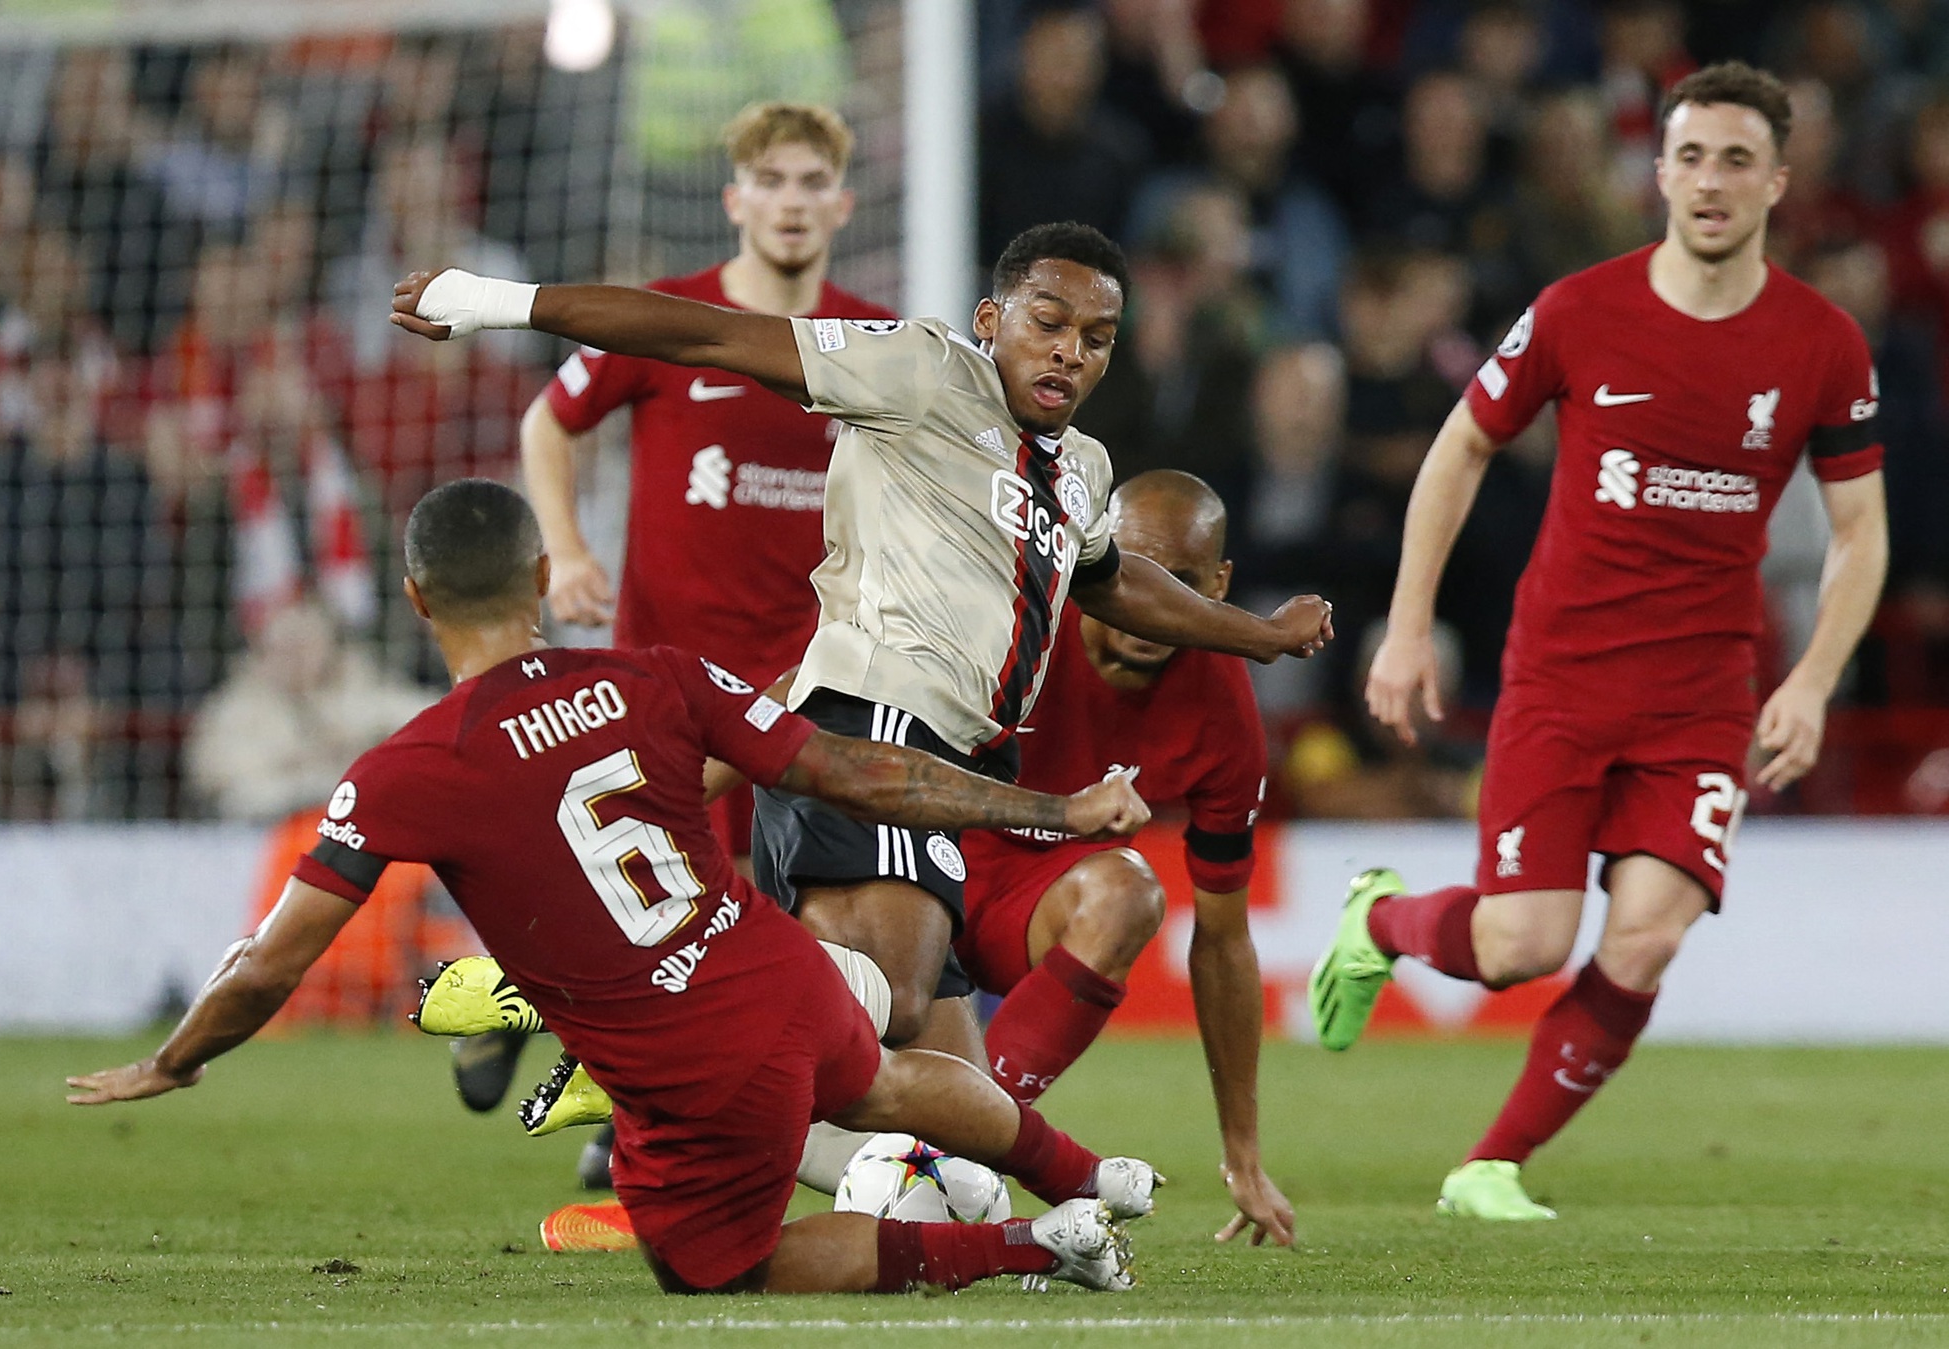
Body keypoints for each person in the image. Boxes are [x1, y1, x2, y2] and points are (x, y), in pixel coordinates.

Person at [67, 479, 1162, 1296]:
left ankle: (1028, 1242)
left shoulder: (404, 769)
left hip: (692, 1059)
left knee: (713, 1267)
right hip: (787, 972)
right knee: (878, 1077)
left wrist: (176, 1058)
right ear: (543, 577)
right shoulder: (658, 676)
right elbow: (849, 763)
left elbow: (271, 964)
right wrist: (1052, 811)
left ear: (413, 599)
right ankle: (1085, 1175)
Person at [390, 221, 1335, 1077]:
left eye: (1095, 339)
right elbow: (705, 334)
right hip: (875, 717)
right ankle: (612, 1000)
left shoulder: (1081, 467)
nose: (1069, 352)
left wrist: (1258, 635)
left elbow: (1112, 577)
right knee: (896, 996)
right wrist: (493, 303)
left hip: (954, 756)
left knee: (945, 1106)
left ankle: (938, 1204)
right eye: (1048, 322)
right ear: (990, 317)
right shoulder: (920, 371)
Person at [1308, 62, 1889, 1220]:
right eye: (1687, 156)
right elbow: (1458, 448)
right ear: (1657, 172)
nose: (1708, 181)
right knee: (1522, 941)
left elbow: (1858, 532)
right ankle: (1375, 919)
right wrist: (1408, 625)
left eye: (1734, 159)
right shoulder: (1579, 309)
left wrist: (1813, 679)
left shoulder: (1821, 345)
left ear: (1776, 180)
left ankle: (1490, 1164)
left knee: (1645, 933)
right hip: (1563, 677)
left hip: (1702, 696)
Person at [496, 102, 894, 1164]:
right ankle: (530, 1019)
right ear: (734, 199)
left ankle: (632, 1107)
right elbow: (547, 420)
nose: (793, 201)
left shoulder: (867, 343)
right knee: (643, 905)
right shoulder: (666, 315)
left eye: (813, 182)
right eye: (772, 180)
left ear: (842, 204)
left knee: (737, 926)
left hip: (801, 686)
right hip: (664, 685)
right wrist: (567, 550)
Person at [952, 470, 1295, 1248]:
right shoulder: (1012, 624)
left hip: (1029, 908)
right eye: (1136, 570)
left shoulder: (1224, 710)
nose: (1153, 602)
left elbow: (1224, 938)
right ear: (1089, 554)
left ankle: (953, 1148)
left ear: (1220, 583)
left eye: (1183, 580)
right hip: (920, 871)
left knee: (1132, 891)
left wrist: (1241, 1149)